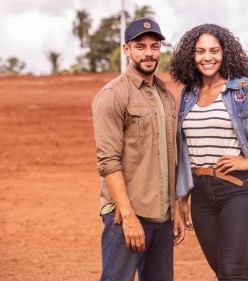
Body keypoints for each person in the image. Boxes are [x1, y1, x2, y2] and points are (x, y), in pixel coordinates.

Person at [170, 23, 248, 281]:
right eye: (200, 51)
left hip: (238, 190)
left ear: (225, 53)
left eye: (214, 51)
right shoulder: (187, 95)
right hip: (200, 194)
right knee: (223, 272)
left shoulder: (245, 89)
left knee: (232, 272)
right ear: (191, 56)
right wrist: (181, 198)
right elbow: (184, 150)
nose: (207, 58)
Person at [91, 18, 185, 281]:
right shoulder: (113, 95)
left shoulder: (165, 94)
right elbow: (108, 161)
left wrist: (174, 209)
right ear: (126, 50)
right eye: (140, 46)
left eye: (154, 47)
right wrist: (129, 216)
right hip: (126, 216)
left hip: (162, 215)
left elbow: (170, 157)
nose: (148, 53)